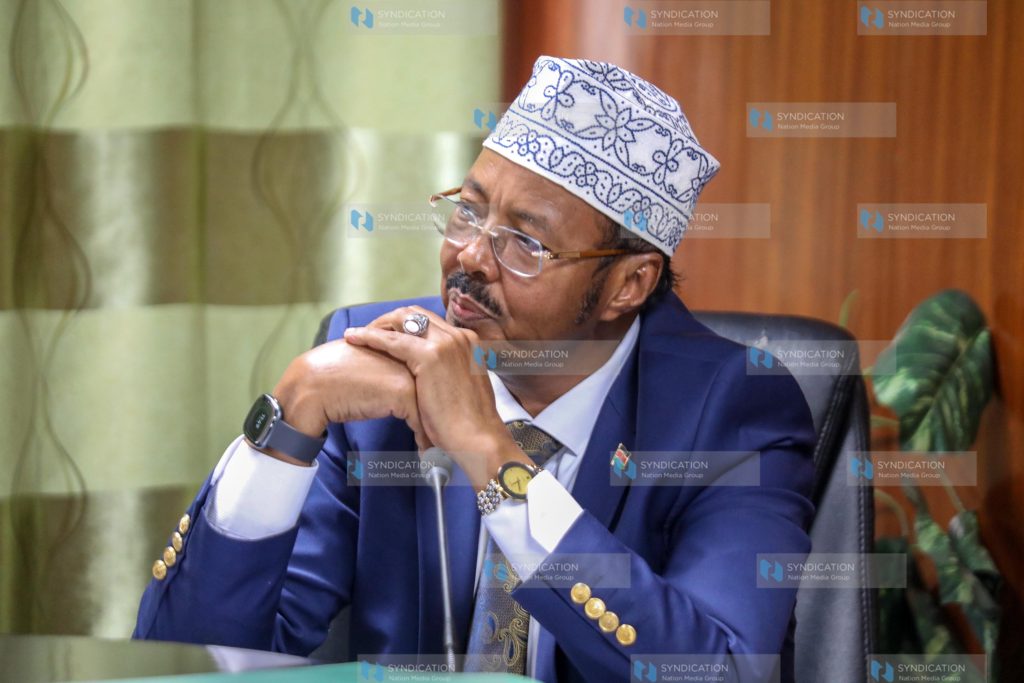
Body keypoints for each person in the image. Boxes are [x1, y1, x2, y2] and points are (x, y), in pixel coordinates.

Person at [134, 56, 815, 683]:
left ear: (627, 285)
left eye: (525, 241)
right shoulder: (377, 362)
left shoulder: (731, 407)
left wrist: (493, 457)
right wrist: (285, 417)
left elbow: (720, 670)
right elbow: (192, 660)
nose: (469, 258)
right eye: (469, 211)